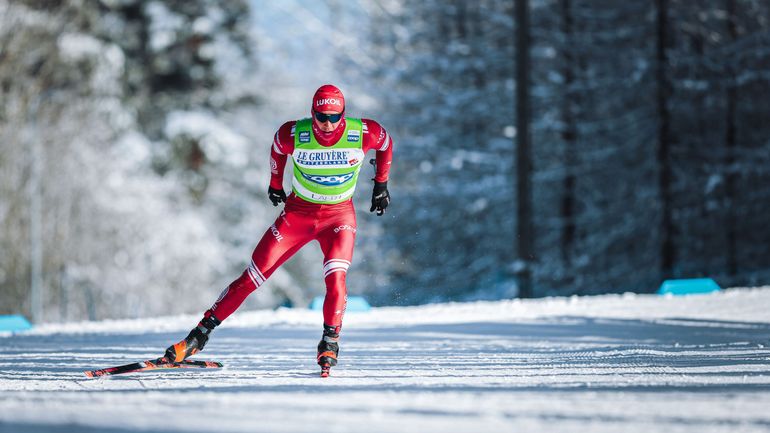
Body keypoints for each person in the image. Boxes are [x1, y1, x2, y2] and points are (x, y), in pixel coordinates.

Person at [164, 84, 393, 375]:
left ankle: (330, 342)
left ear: (343, 116)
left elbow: (386, 144)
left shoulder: (363, 133)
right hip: (298, 215)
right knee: (252, 277)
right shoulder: (295, 133)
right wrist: (275, 184)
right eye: (321, 116)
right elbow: (277, 149)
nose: (327, 124)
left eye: (335, 118)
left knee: (336, 279)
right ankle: (197, 337)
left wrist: (381, 184)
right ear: (312, 113)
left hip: (338, 217)